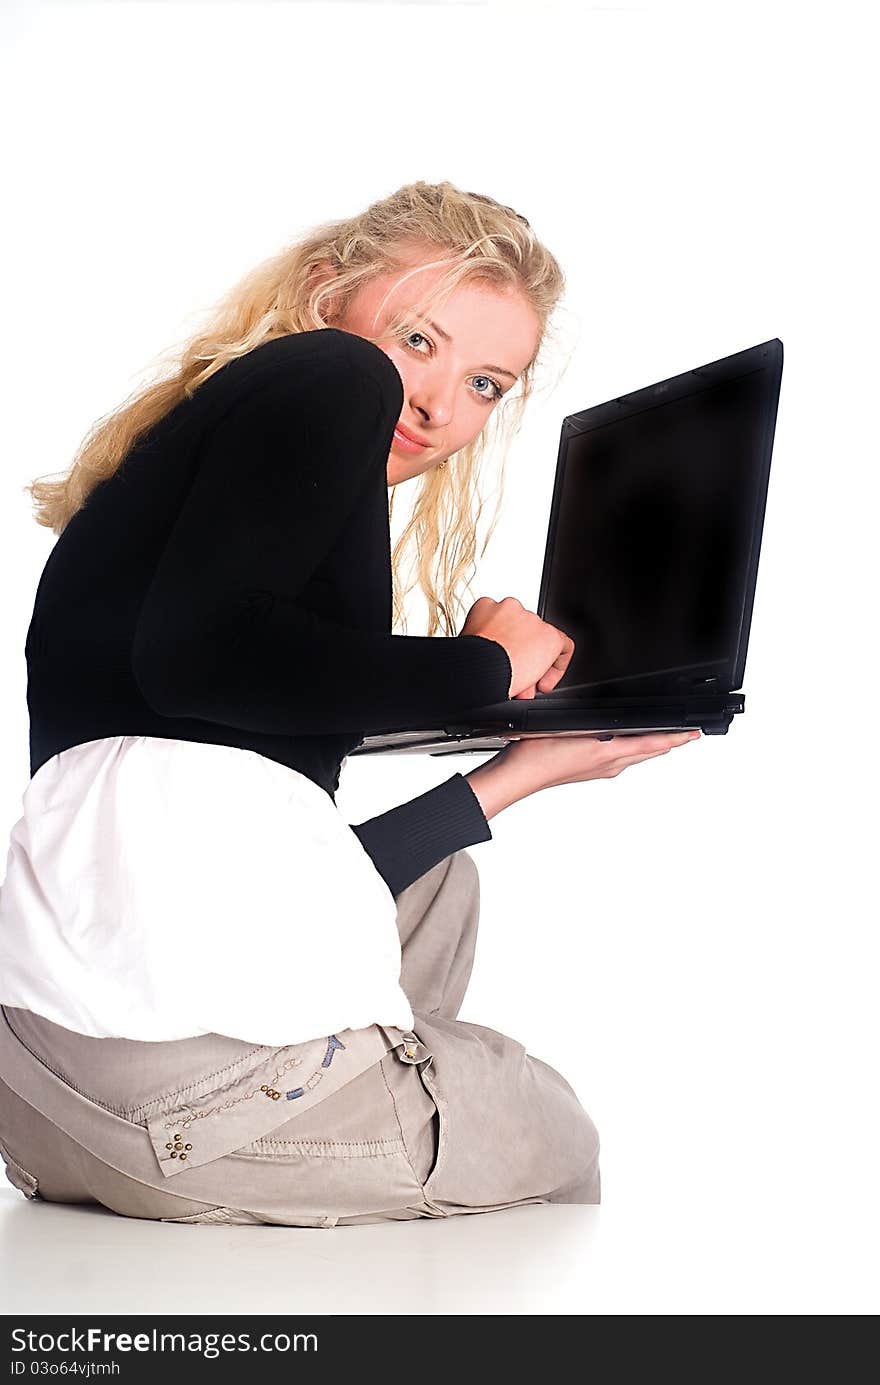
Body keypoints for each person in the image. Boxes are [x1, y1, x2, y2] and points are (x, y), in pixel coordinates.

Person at [0, 180, 699, 1225]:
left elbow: (232, 876)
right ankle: (355, 1128)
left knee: (436, 878)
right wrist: (483, 670)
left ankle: (347, 1105)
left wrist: (514, 773)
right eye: (417, 339)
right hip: (189, 1118)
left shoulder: (169, 504)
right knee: (551, 1123)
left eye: (486, 385)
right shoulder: (333, 373)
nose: (436, 404)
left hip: (46, 1109)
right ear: (328, 295)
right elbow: (210, 656)